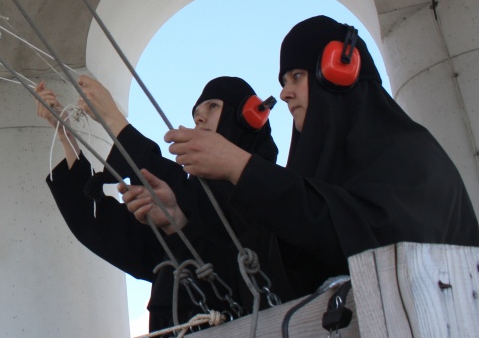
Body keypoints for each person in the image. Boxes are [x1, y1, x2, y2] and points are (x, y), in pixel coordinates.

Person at [165, 15, 479, 297]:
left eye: (296, 76)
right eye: (283, 82)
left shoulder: (410, 151)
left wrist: (240, 167)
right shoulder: (318, 176)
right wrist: (176, 222)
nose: (285, 93)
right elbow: (267, 267)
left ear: (340, 68)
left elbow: (378, 241)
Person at [35, 74, 286, 338]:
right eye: (196, 115)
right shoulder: (190, 198)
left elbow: (190, 203)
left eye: (213, 106)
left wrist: (114, 119)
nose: (200, 118)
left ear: (248, 116)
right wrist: (66, 134)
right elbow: (98, 226)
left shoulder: (265, 191)